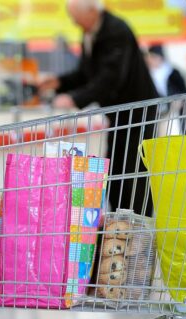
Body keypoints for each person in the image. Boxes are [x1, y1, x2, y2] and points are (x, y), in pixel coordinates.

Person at [39, 0, 159, 216]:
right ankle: (120, 227)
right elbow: (86, 74)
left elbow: (110, 78)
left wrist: (74, 98)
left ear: (93, 11)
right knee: (117, 173)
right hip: (120, 114)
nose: (73, 22)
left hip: (139, 113)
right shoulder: (90, 32)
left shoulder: (115, 31)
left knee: (132, 175)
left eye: (75, 16)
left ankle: (137, 232)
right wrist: (59, 82)